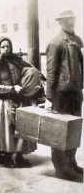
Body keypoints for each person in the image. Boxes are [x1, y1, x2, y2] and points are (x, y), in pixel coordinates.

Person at [45, 10, 83, 181]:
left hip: (75, 93)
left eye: (72, 18)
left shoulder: (75, 40)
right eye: (67, 19)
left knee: (74, 129)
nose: (70, 21)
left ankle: (71, 162)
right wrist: (48, 97)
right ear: (60, 22)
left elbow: (82, 64)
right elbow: (51, 71)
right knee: (60, 132)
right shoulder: (56, 43)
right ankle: (61, 168)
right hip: (61, 94)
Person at [0, 36, 37, 167]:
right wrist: (12, 88)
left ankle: (20, 157)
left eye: (8, 46)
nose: (6, 49)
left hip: (20, 98)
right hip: (5, 101)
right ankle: (8, 157)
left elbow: (30, 67)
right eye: (3, 47)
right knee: (8, 130)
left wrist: (39, 77)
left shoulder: (17, 60)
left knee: (22, 128)